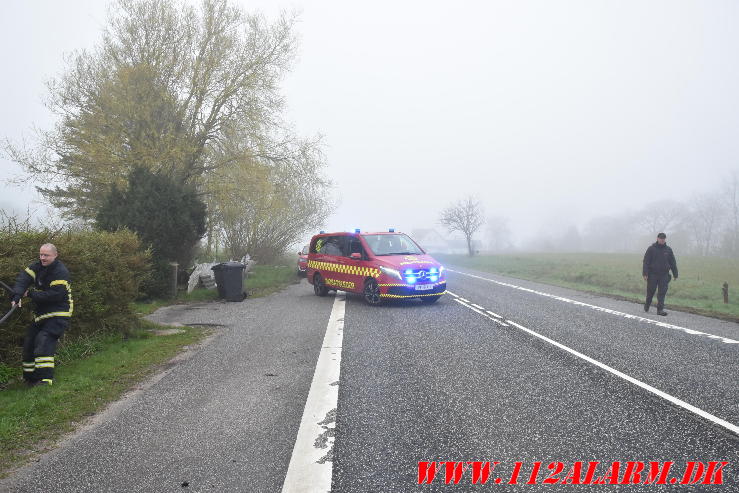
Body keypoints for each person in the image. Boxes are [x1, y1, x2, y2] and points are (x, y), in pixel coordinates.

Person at [9, 244, 73, 386]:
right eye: (41, 255)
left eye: (46, 255)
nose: (42, 258)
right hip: (41, 315)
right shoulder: (36, 267)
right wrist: (17, 295)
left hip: (59, 313)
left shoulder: (61, 272)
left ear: (55, 255)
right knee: (29, 343)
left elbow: (55, 295)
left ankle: (45, 380)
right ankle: (30, 378)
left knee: (43, 341)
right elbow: (23, 279)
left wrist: (30, 294)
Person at [642, 233, 678, 316]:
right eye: (661, 238)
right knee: (650, 292)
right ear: (657, 238)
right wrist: (645, 273)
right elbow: (646, 262)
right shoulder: (651, 249)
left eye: (664, 238)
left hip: (664, 275)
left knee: (662, 293)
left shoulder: (668, 250)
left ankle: (660, 310)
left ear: (665, 239)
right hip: (652, 274)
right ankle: (647, 304)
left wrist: (675, 274)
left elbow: (673, 262)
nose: (662, 240)